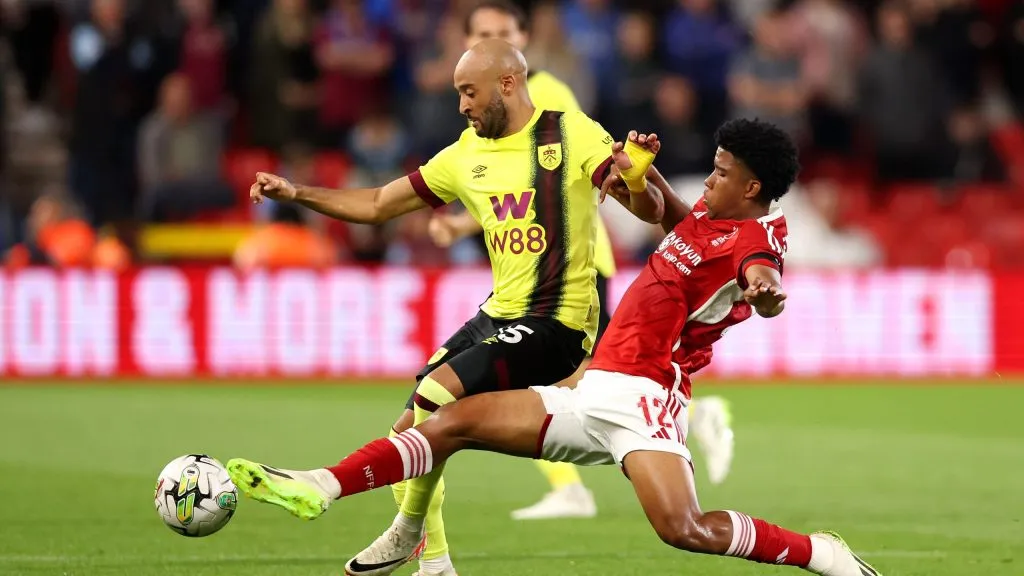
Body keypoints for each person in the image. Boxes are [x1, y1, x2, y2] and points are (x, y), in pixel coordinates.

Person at [226, 119, 883, 576]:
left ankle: (820, 553)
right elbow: (672, 219)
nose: (708, 181)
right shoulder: (716, 217)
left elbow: (760, 275)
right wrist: (643, 172)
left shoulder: (757, 243)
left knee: (684, 530)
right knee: (449, 421)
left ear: (751, 189)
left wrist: (766, 293)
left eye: (719, 173)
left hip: (645, 400)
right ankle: (321, 485)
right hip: (595, 386)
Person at [245, 39, 663, 576]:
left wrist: (635, 177)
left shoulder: (571, 132)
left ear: (507, 84)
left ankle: (383, 518)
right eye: (458, 94)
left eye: (469, 92)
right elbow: (378, 204)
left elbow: (648, 209)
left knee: (434, 393)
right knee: (408, 429)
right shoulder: (465, 155)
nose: (462, 105)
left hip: (556, 323)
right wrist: (298, 193)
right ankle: (433, 560)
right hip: (499, 313)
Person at [427, 0, 738, 524]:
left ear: (523, 39)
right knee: (571, 384)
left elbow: (558, 177)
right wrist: (462, 224)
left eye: (504, 31)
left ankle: (686, 416)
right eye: (482, 32)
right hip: (538, 269)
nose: (494, 38)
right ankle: (607, 463)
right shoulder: (482, 109)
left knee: (575, 384)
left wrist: (637, 185)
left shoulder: (546, 96)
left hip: (576, 268)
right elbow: (508, 189)